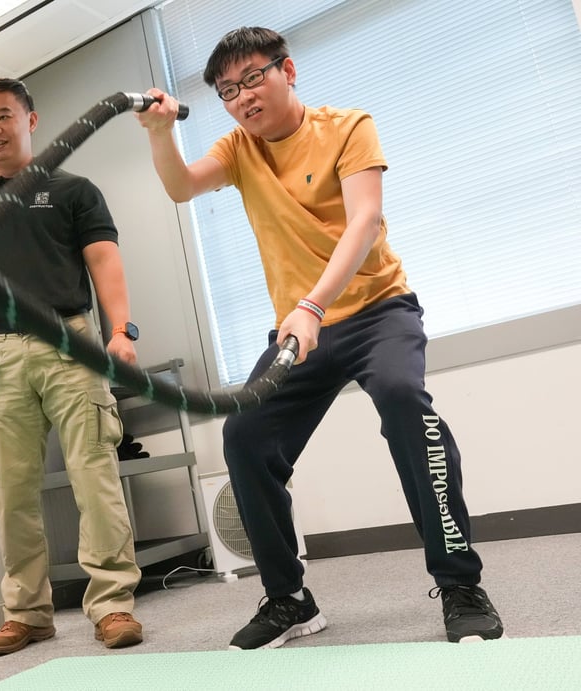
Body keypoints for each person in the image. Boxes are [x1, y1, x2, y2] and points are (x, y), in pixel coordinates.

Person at [135, 27, 503, 650]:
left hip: (377, 311)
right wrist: (160, 132)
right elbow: (180, 186)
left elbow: (365, 220)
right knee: (245, 437)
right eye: (228, 90)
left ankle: (460, 583)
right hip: (302, 331)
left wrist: (310, 303)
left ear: (288, 70)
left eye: (253, 78)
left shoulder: (347, 125)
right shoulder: (238, 149)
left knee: (401, 397)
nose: (243, 97)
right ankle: (289, 599)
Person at [0, 78, 144, 657]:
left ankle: (113, 604)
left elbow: (105, 262)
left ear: (31, 121)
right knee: (10, 489)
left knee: (94, 476)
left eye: (4, 115)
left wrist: (120, 332)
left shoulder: (75, 191)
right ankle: (27, 613)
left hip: (72, 342)